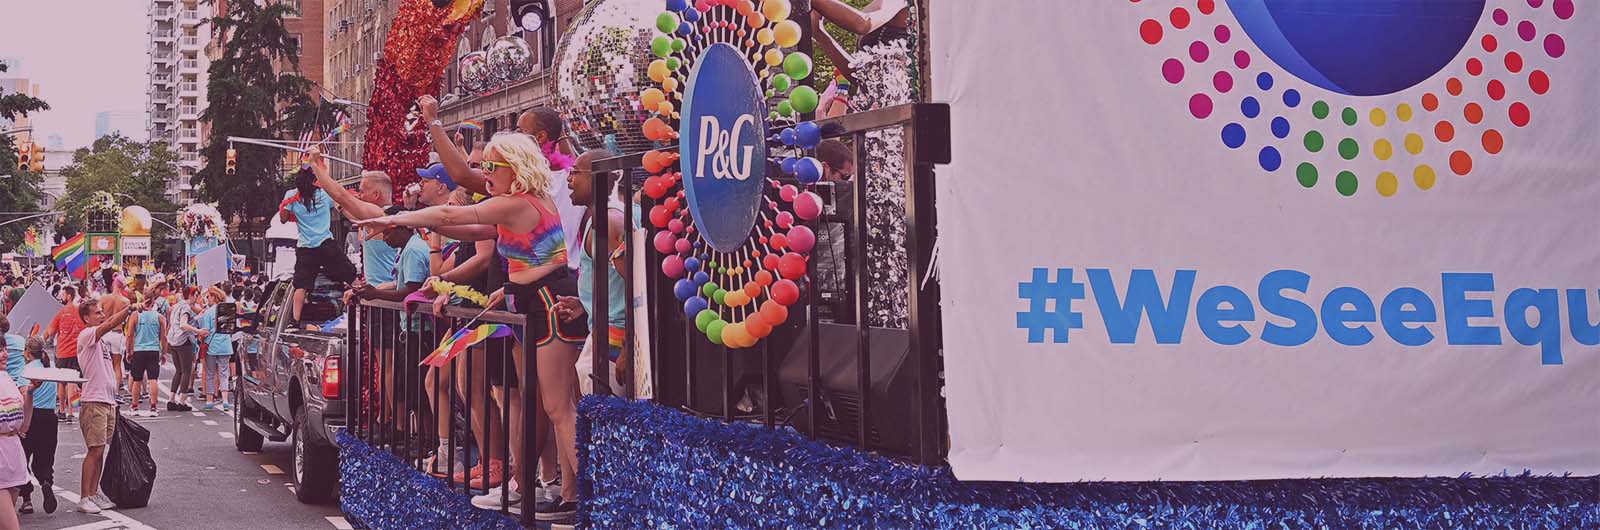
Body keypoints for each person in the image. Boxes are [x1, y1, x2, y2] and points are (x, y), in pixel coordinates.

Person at [355, 133, 585, 522]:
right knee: (546, 404)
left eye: (492, 166)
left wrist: (395, 218)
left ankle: (587, 500)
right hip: (532, 301)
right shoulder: (519, 204)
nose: (485, 174)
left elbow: (451, 216)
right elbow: (468, 229)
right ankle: (562, 493)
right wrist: (417, 224)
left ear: (515, 169)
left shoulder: (518, 202)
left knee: (558, 407)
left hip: (548, 304)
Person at [559, 149, 634, 393]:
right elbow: (615, 282)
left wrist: (628, 346)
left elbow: (638, 286)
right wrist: (585, 303)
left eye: (575, 172)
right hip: (606, 330)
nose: (569, 179)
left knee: (604, 411)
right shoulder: (603, 217)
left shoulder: (609, 221)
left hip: (615, 336)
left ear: (595, 177)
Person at [279, 166, 359, 323]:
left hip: (305, 248)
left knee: (301, 286)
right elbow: (341, 208)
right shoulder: (324, 194)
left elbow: (283, 218)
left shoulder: (291, 195)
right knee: (351, 277)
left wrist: (288, 207)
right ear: (315, 180)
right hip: (326, 244)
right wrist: (358, 220)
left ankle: (295, 321)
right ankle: (361, 313)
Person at [74, 297, 131, 514]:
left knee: (100, 450)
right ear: (86, 318)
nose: (102, 315)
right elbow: (110, 324)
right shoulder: (87, 334)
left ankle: (93, 492)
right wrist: (129, 309)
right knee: (95, 450)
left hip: (107, 400)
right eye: (97, 312)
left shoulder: (102, 342)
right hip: (94, 401)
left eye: (101, 311)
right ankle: (84, 496)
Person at [18, 337, 57, 515]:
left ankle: (26, 499)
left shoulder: (25, 371)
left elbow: (24, 395)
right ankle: (46, 482)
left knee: (23, 458)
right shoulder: (51, 369)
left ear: (27, 352)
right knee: (45, 457)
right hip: (49, 417)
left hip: (31, 417)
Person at [0, 330, 30, 527]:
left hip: (13, 455)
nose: (5, 354)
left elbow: (24, 425)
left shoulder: (6, 377)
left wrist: (31, 394)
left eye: (4, 349)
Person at [41, 286, 82, 422]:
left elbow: (50, 332)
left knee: (62, 383)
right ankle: (71, 411)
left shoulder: (61, 312)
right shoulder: (80, 311)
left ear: (69, 296)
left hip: (62, 352)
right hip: (76, 352)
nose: (61, 297)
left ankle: (62, 410)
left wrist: (39, 343)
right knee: (72, 382)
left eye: (63, 294)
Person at [194, 287, 234, 412]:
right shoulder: (228, 310)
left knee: (210, 373)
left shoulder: (208, 312)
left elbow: (205, 331)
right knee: (224, 373)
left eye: (209, 296)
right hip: (226, 345)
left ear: (214, 297)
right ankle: (225, 401)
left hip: (211, 346)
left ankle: (210, 401)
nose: (208, 299)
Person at [124, 298, 165, 417]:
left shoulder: (135, 315)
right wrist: (163, 352)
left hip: (139, 350)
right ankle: (153, 406)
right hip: (154, 349)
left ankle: (134, 406)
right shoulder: (159, 317)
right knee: (153, 379)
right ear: (153, 302)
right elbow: (164, 337)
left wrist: (128, 351)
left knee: (137, 379)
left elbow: (129, 335)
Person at [166, 286, 202, 411]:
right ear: (191, 295)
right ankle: (182, 401)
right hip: (184, 341)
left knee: (178, 371)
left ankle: (171, 399)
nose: (197, 298)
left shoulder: (177, 306)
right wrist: (198, 331)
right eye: (196, 295)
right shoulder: (186, 307)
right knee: (186, 371)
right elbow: (183, 324)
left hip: (173, 340)